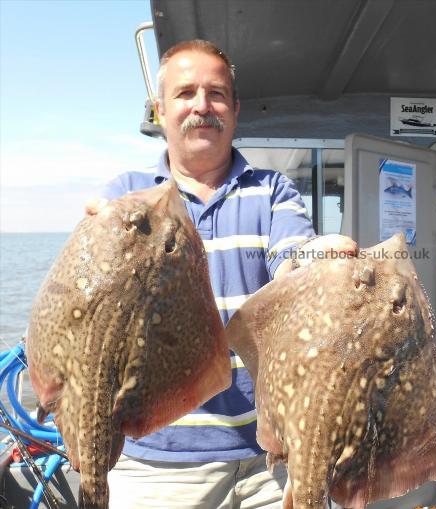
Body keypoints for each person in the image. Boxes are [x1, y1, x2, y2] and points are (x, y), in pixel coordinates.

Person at [91, 39, 357, 508]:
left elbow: (291, 255)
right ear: (160, 109)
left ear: (234, 109)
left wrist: (320, 258)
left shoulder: (272, 189)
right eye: (185, 93)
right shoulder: (129, 195)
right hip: (159, 459)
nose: (201, 106)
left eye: (215, 94)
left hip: (271, 455)